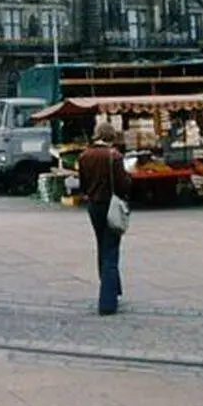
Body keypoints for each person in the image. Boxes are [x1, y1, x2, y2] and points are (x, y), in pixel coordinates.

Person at [78, 122, 132, 315]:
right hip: (112, 206)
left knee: (102, 246)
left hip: (94, 206)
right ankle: (108, 302)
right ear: (111, 136)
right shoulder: (114, 156)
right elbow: (123, 185)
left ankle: (112, 288)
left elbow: (83, 184)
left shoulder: (84, 156)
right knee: (111, 250)